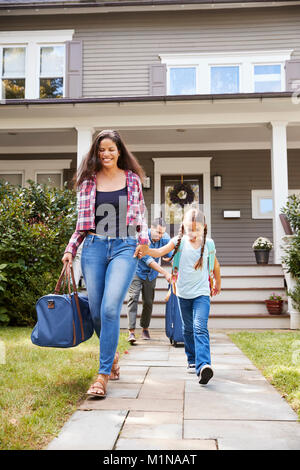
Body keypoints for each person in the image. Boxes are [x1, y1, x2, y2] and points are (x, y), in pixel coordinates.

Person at [62, 129, 149, 398]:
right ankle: (111, 357)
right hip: (94, 248)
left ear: (119, 151)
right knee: (97, 312)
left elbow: (140, 215)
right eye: (101, 150)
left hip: (124, 246)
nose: (106, 154)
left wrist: (143, 239)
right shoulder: (88, 181)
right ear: (96, 154)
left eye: (111, 149)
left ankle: (102, 376)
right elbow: (81, 222)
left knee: (111, 308)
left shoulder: (132, 180)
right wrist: (70, 249)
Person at [137, 207, 221, 385]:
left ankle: (204, 365)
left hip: (202, 294)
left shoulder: (209, 244)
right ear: (183, 227)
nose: (193, 233)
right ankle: (191, 359)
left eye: (197, 229)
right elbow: (159, 252)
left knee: (200, 327)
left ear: (204, 228)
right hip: (182, 293)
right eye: (189, 229)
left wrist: (218, 283)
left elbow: (215, 266)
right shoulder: (179, 242)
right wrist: (146, 250)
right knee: (188, 329)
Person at [127, 218, 173, 344]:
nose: (160, 235)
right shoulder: (142, 237)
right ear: (151, 228)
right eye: (158, 232)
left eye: (162, 233)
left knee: (148, 301)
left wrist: (177, 269)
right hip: (137, 271)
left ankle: (145, 328)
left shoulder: (165, 238)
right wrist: (165, 273)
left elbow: (172, 255)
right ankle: (131, 331)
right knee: (133, 298)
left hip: (151, 275)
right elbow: (149, 261)